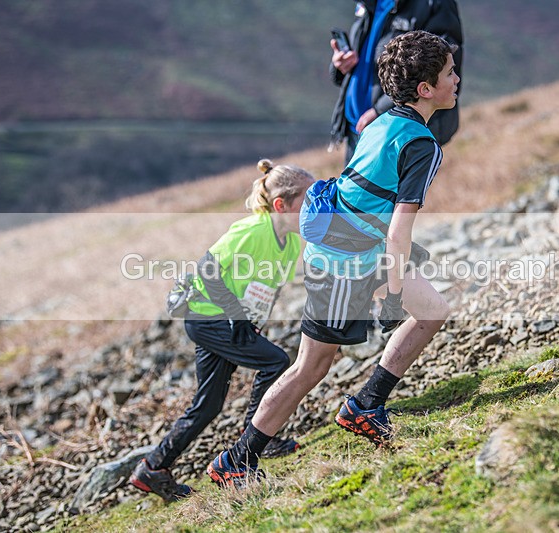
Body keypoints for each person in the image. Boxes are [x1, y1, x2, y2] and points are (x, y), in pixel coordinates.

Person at [207, 30, 457, 488]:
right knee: (311, 366)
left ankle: (366, 405)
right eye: (449, 73)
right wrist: (393, 297)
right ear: (426, 89)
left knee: (433, 311)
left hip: (343, 246)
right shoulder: (422, 145)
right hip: (350, 258)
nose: (457, 79)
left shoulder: (380, 121)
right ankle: (238, 460)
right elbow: (400, 230)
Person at [129, 159, 315, 502]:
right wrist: (237, 317)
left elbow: (267, 288)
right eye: (308, 201)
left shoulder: (290, 243)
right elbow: (206, 272)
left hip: (230, 319)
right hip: (206, 317)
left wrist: (253, 319)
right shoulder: (252, 231)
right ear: (281, 205)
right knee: (275, 362)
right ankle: (257, 440)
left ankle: (154, 468)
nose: (314, 208)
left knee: (208, 404)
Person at [329, 0, 463, 163]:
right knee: (356, 189)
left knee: (402, 188)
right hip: (358, 130)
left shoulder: (434, 4)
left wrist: (380, 111)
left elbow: (440, 70)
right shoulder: (369, 3)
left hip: (395, 131)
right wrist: (341, 65)